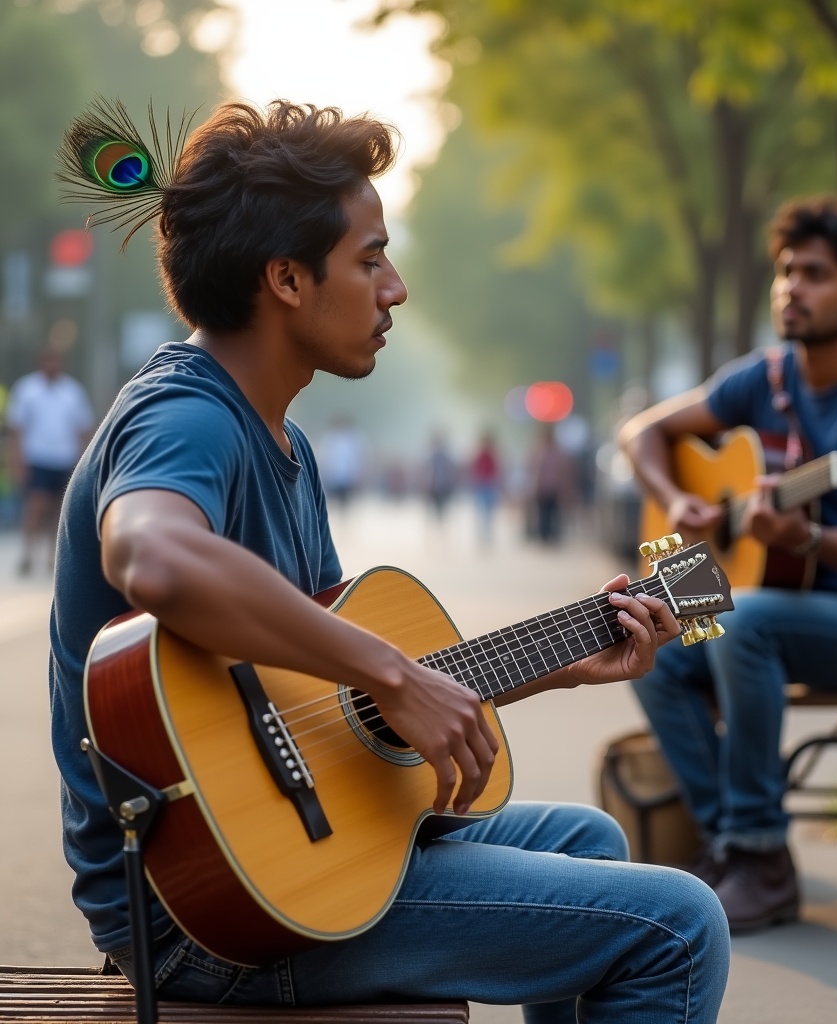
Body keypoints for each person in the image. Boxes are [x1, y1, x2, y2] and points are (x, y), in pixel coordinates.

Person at [50, 99, 729, 1022]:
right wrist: (393, 672)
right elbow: (153, 558)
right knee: (681, 925)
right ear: (287, 279)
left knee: (588, 839)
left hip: (267, 860)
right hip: (205, 910)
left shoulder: (283, 443)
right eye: (370, 260)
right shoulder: (187, 415)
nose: (396, 289)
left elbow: (334, 706)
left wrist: (559, 662)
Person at [618, 195, 837, 934]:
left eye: (814, 274)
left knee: (743, 623)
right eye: (785, 272)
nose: (791, 288)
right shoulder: (766, 379)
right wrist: (679, 500)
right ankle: (727, 844)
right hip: (792, 604)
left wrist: (801, 536)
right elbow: (641, 432)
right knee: (645, 629)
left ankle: (761, 858)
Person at [5, 344, 94, 575]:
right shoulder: (27, 389)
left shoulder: (73, 391)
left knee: (59, 508)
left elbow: (83, 428)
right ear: (41, 362)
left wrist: (84, 460)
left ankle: (52, 555)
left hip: (65, 457)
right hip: (38, 456)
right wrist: (18, 461)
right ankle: (27, 553)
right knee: (36, 505)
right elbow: (18, 429)